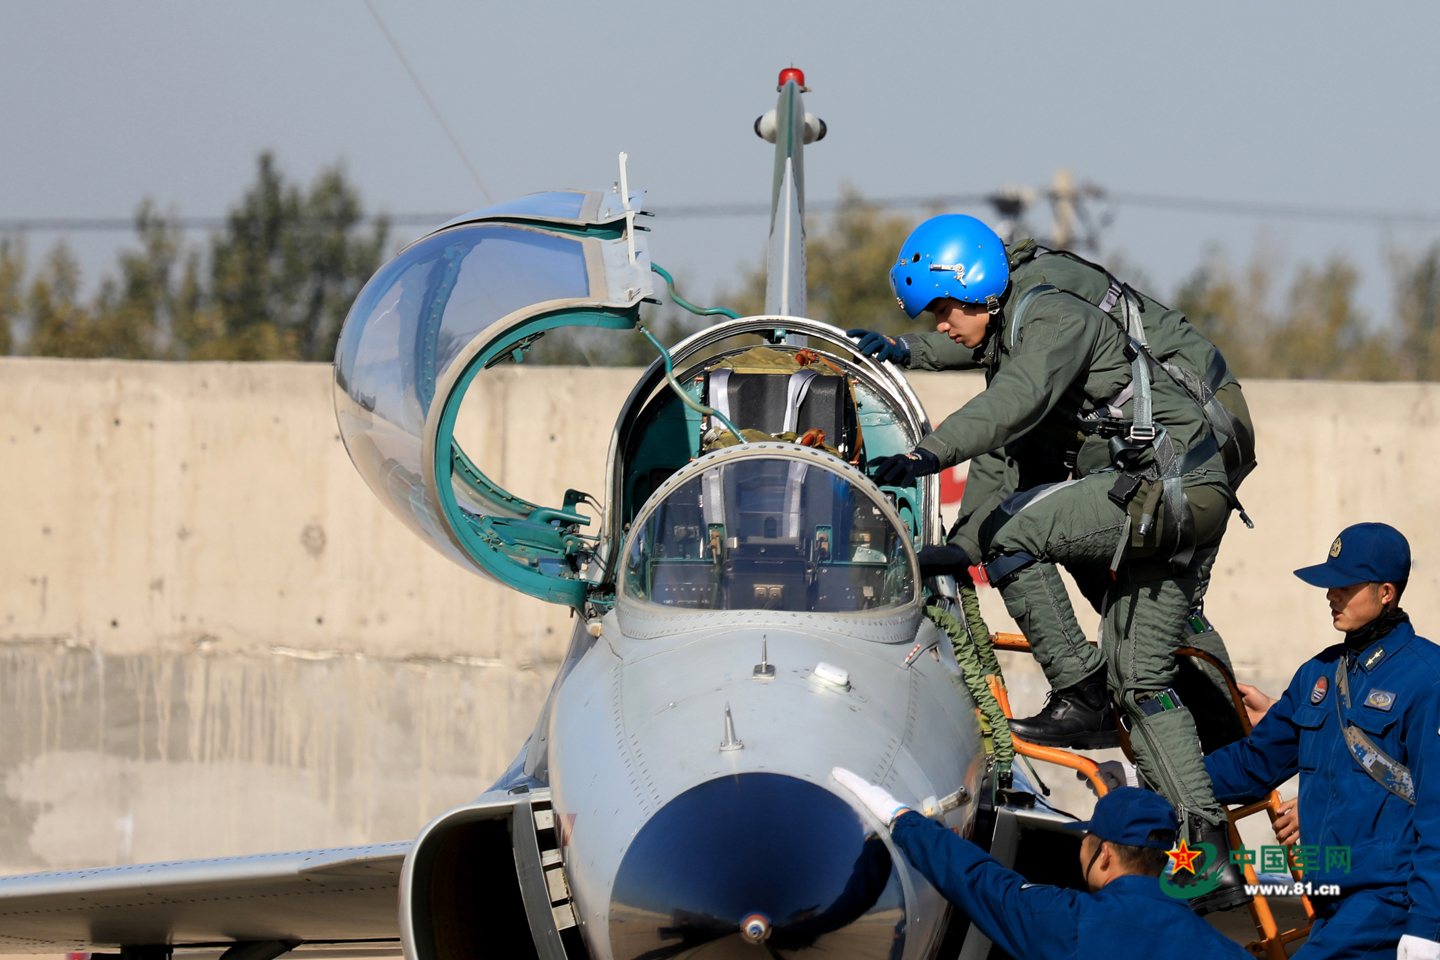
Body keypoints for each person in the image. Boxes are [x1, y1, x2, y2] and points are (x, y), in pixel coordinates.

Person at [855, 214, 1247, 912]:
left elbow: (1010, 404)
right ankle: (1209, 855)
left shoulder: (1052, 317)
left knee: (1015, 534)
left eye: (944, 308)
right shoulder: (1022, 316)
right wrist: (901, 351)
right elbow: (999, 415)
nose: (941, 325)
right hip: (1175, 488)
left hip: (1169, 488)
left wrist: (928, 454)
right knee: (1141, 679)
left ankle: (1081, 690)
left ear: (979, 287)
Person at [1204, 523, 1440, 960]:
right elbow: (1252, 765)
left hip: (1389, 900)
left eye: (1345, 587)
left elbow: (1437, 809)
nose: (1330, 595)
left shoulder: (1428, 678)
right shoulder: (1317, 673)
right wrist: (1151, 776)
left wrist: (1428, 925)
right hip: (1328, 899)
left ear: (1386, 593)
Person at [830, 768, 1248, 958]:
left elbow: (980, 881)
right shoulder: (1225, 951)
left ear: (1104, 854)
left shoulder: (1072, 923)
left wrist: (902, 819)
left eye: (1087, 840)